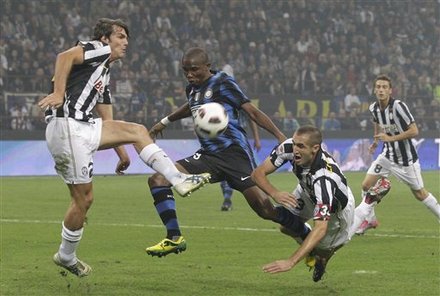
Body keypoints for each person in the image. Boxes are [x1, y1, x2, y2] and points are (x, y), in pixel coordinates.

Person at [37, 19, 210, 277]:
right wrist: (60, 93)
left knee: (137, 131)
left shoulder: (103, 69)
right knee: (82, 199)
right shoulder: (97, 49)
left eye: (127, 38)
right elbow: (64, 57)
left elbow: (106, 114)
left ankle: (179, 179)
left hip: (84, 127)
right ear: (105, 39)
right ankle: (65, 255)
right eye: (120, 36)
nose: (125, 42)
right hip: (68, 127)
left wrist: (121, 150)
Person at [146, 47, 307, 258]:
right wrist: (164, 122)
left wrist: (279, 136)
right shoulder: (192, 89)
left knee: (265, 210)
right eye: (185, 71)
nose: (189, 75)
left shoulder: (223, 82)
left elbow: (252, 111)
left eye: (194, 70)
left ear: (207, 66)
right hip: (208, 156)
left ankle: (306, 234)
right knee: (159, 179)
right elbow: (190, 106)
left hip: (234, 155)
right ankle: (174, 238)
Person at [251, 126, 355, 282]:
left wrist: (290, 262)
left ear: (315, 148)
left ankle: (367, 207)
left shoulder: (324, 179)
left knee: (323, 250)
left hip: (336, 211)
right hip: (307, 192)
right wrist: (275, 193)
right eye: (294, 143)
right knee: (286, 227)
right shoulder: (288, 148)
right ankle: (312, 250)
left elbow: (320, 228)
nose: (295, 150)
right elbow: (257, 174)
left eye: (301, 146)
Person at [350, 75, 440, 235]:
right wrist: (376, 140)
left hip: (406, 160)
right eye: (378, 87)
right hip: (387, 156)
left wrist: (390, 138)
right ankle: (369, 220)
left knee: (420, 193)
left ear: (390, 90)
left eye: (384, 87)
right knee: (366, 185)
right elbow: (376, 122)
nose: (381, 90)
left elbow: (414, 130)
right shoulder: (374, 108)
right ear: (374, 89)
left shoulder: (398, 106)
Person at [220, 109, 261, 211]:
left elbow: (252, 119)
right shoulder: (221, 101)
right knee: (225, 169)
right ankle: (227, 199)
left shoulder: (240, 101)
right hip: (225, 139)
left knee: (251, 170)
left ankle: (261, 198)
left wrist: (256, 139)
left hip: (239, 139)